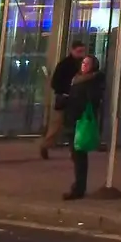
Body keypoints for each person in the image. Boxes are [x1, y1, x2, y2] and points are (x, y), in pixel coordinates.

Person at [63, 55, 104, 200]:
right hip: (72, 119)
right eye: (83, 63)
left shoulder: (92, 81)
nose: (84, 65)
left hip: (81, 120)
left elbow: (91, 100)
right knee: (75, 155)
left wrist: (75, 102)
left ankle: (79, 187)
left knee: (79, 155)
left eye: (87, 63)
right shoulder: (77, 79)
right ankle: (78, 186)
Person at [40, 40, 87, 159]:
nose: (81, 54)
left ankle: (74, 150)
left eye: (82, 51)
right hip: (65, 98)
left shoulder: (84, 65)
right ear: (72, 50)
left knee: (75, 126)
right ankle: (46, 145)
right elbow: (55, 83)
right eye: (79, 51)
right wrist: (67, 89)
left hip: (76, 99)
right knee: (56, 125)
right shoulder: (65, 65)